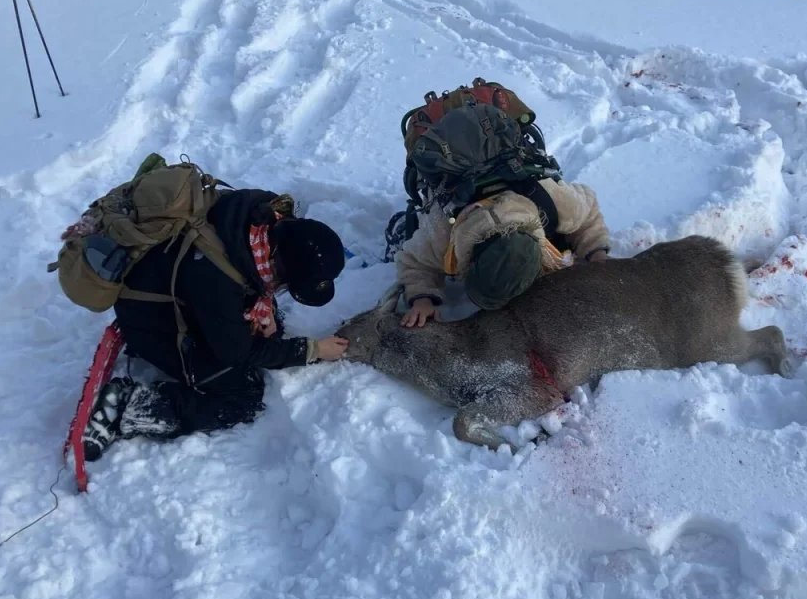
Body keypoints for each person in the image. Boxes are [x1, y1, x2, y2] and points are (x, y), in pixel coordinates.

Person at [81, 187, 348, 461]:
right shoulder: (218, 279)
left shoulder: (262, 216)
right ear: (279, 263)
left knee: (269, 331)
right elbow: (238, 351)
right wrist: (313, 350)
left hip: (178, 289)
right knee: (241, 395)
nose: (281, 289)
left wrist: (263, 307)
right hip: (150, 319)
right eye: (286, 283)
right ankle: (130, 406)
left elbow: (249, 280)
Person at [396, 176, 611, 327]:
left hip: (526, 190)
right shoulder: (443, 232)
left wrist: (596, 251)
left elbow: (589, 208)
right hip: (454, 192)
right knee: (412, 228)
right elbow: (413, 260)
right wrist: (422, 298)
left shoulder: (556, 202)